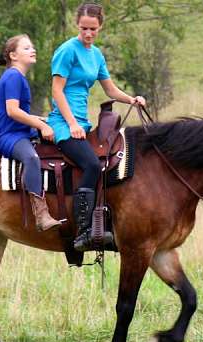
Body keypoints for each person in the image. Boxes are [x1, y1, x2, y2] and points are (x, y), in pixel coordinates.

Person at [48, 3, 146, 251]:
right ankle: (83, 231)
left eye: (93, 29)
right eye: (83, 28)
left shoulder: (96, 54)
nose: (88, 33)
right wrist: (70, 124)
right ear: (77, 25)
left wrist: (132, 99)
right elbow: (57, 90)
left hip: (83, 123)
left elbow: (110, 89)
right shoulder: (67, 50)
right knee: (91, 164)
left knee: (105, 161)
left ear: (101, 26)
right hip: (64, 122)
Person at [0, 34, 61, 231]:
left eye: (32, 47)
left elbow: (21, 112)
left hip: (19, 130)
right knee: (31, 159)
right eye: (27, 48)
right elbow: (12, 111)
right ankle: (41, 214)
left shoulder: (19, 77)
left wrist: (43, 120)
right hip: (6, 134)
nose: (33, 50)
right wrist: (42, 126)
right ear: (13, 55)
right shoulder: (13, 76)